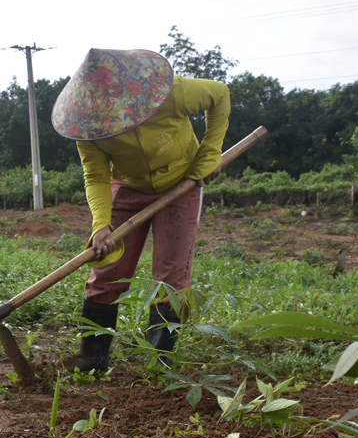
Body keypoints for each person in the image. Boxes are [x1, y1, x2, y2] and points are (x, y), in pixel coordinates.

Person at [50, 48, 231, 372]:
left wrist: (210, 151)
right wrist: (101, 225)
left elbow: (220, 95)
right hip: (129, 186)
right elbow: (95, 175)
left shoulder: (170, 93)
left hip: (182, 184)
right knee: (107, 268)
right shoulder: (89, 127)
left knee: (171, 276)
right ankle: (93, 357)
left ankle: (162, 362)